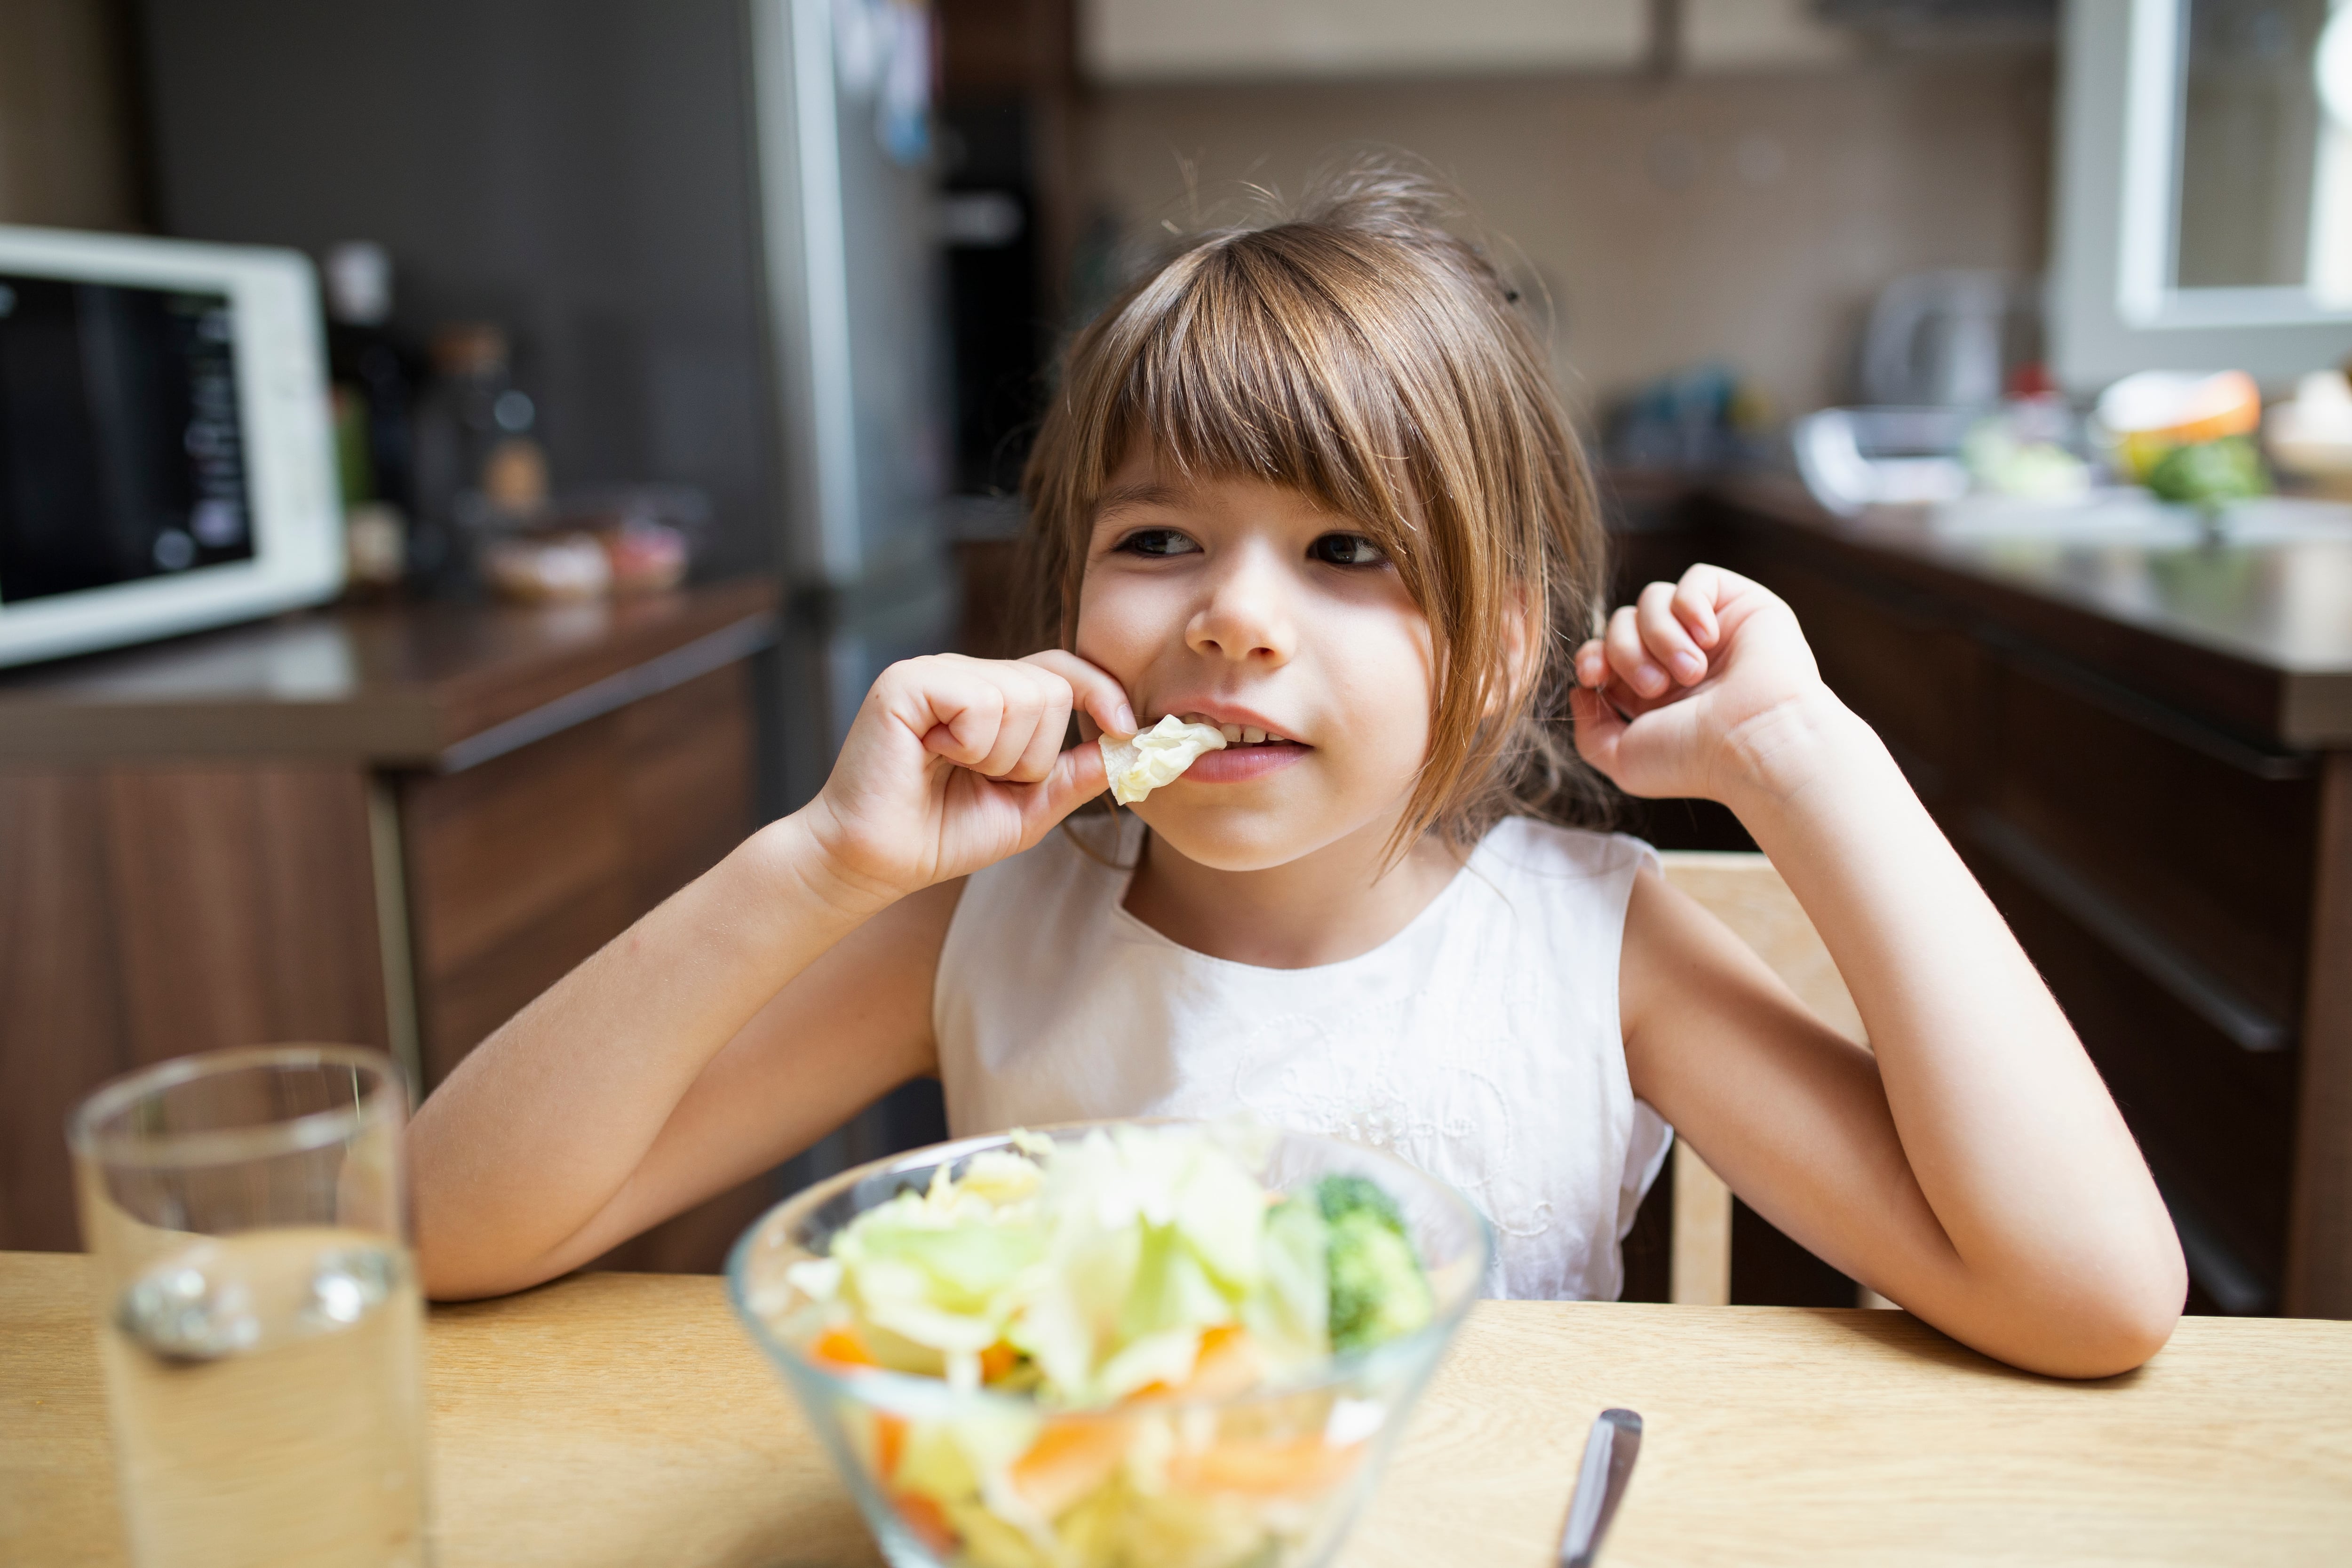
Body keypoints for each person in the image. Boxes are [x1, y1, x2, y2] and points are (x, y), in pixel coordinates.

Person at [408, 167, 2184, 1377]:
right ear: (1071, 599)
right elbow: (441, 1230)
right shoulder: (985, 926)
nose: (1235, 623)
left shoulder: (1594, 952)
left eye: (1348, 555)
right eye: (1163, 537)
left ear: (1492, 648)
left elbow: (2092, 1297)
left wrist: (1805, 760)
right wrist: (817, 868)